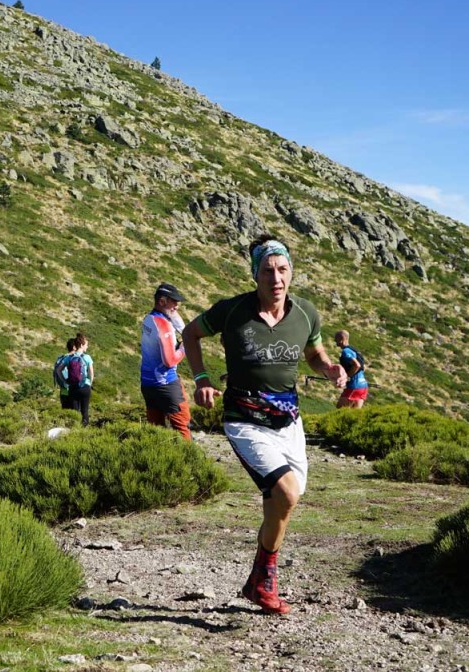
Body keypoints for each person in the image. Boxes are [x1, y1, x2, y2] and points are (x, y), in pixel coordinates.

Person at [182, 234, 347, 615]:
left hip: (288, 420)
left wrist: (329, 368)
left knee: (283, 503)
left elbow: (314, 353)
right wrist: (202, 378)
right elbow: (190, 333)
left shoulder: (305, 312)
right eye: (268, 270)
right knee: (286, 493)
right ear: (255, 274)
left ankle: (260, 580)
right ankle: (265, 578)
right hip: (245, 418)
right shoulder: (231, 310)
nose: (276, 277)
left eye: (283, 269)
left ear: (292, 272)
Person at [140, 283, 192, 440]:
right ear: (162, 301)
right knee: (182, 426)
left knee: (155, 430)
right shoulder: (163, 325)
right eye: (173, 301)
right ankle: (189, 461)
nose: (177, 306)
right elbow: (169, 361)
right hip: (166, 384)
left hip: (147, 384)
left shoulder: (149, 319)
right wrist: (185, 347)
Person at [56, 333, 94, 425]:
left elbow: (58, 370)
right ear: (81, 345)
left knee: (75, 412)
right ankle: (84, 430)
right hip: (85, 386)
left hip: (73, 388)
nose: (87, 347)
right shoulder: (87, 357)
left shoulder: (69, 358)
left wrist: (65, 381)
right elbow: (91, 373)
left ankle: (74, 430)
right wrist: (90, 383)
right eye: (86, 345)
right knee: (85, 411)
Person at [334, 330, 370, 409]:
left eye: (336, 338)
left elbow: (357, 365)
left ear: (342, 339)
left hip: (354, 386)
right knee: (354, 414)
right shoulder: (354, 350)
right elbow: (363, 367)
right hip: (363, 386)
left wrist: (346, 377)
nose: (334, 340)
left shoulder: (346, 351)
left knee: (339, 410)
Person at [53, 338, 77, 410]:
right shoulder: (73, 358)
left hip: (63, 391)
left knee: (65, 413)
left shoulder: (61, 358)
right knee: (76, 413)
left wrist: (64, 382)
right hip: (72, 390)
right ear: (74, 347)